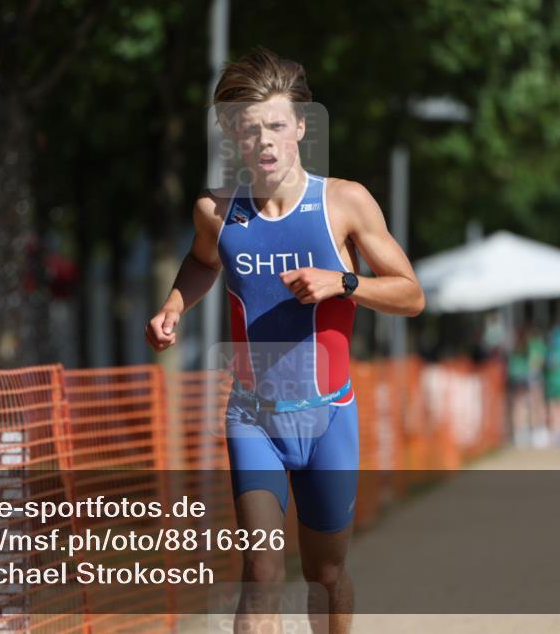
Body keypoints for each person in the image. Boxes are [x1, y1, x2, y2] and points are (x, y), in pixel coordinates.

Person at [145, 47, 424, 634]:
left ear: (301, 126)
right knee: (262, 574)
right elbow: (201, 264)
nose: (265, 141)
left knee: (325, 574)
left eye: (276, 125)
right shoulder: (215, 213)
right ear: (233, 137)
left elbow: (410, 294)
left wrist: (343, 283)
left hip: (329, 419)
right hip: (254, 419)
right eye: (250, 130)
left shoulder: (344, 202)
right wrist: (173, 305)